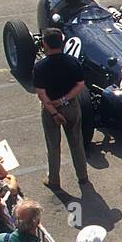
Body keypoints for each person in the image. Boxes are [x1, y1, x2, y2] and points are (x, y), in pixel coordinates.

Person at [32, 28, 90, 192]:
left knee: (53, 146)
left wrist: (53, 111)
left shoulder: (40, 67)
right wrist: (64, 100)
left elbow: (41, 93)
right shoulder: (72, 62)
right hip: (71, 106)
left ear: (45, 44)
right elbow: (80, 85)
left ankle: (54, 180)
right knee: (76, 142)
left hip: (51, 111)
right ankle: (83, 176)